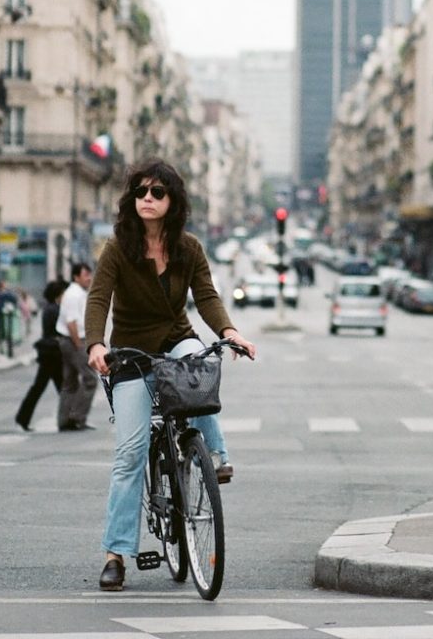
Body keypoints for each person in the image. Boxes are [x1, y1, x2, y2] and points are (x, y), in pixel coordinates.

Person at [85, 159, 258, 593]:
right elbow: (98, 299)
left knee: (198, 363)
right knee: (129, 453)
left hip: (176, 338)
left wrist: (230, 332)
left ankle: (215, 455)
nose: (147, 198)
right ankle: (115, 555)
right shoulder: (117, 250)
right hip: (130, 353)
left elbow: (207, 297)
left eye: (157, 192)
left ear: (172, 201)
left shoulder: (189, 248)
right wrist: (95, 345)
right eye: (140, 192)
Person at [15, 280, 67, 432]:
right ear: (58, 295)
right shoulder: (55, 310)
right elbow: (60, 331)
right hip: (53, 354)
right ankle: (67, 418)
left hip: (49, 353)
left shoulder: (48, 308)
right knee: (59, 387)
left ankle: (23, 418)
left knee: (47, 387)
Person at [57, 263, 98, 430]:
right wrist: (80, 345)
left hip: (68, 340)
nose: (89, 278)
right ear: (76, 277)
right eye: (85, 275)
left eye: (90, 274)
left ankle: (64, 420)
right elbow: (71, 322)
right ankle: (77, 417)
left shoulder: (77, 293)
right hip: (74, 340)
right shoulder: (74, 294)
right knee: (90, 379)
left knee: (70, 382)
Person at [0, 278, 19, 357]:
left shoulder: (7, 293)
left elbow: (14, 300)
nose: (3, 285)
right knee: (0, 331)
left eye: (3, 284)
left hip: (6, 314)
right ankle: (1, 347)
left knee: (7, 331)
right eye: (2, 284)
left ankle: (7, 348)